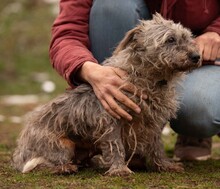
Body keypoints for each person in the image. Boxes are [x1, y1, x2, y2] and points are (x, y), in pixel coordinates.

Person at [49, 0, 220, 161]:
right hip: (136, 63)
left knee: (198, 108)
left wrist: (216, 31)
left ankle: (191, 134)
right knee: (112, 5)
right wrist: (89, 70)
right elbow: (67, 32)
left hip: (208, 58)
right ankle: (114, 131)